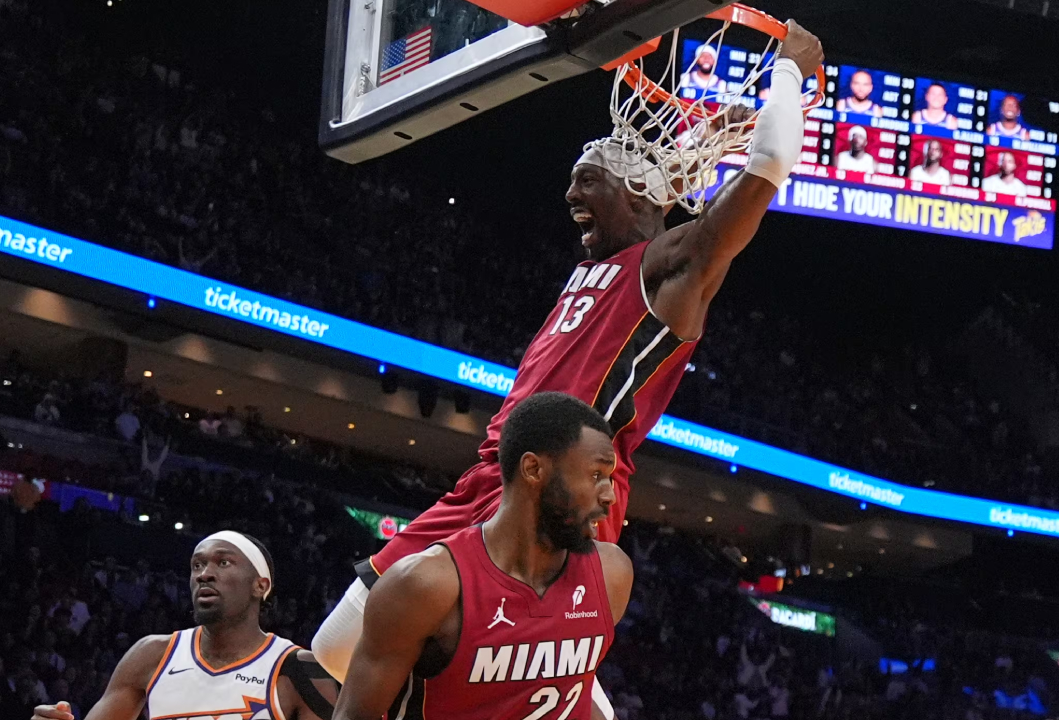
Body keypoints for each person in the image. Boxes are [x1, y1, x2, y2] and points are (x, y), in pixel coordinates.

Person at [313, 18, 823, 720]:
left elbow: (764, 174)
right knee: (335, 648)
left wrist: (789, 74)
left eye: (587, 181)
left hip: (561, 492)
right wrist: (717, 125)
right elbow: (680, 169)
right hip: (490, 477)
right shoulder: (597, 267)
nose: (569, 196)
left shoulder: (671, 268)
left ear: (639, 193)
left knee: (375, 652)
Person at [331, 393, 634, 720]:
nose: (609, 496)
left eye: (610, 478)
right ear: (533, 469)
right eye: (595, 476)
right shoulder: (427, 584)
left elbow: (570, 692)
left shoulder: (611, 573)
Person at [30, 532, 335, 720]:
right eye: (197, 565)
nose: (205, 574)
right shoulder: (151, 654)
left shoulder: (298, 669)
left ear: (260, 585)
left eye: (223, 562)